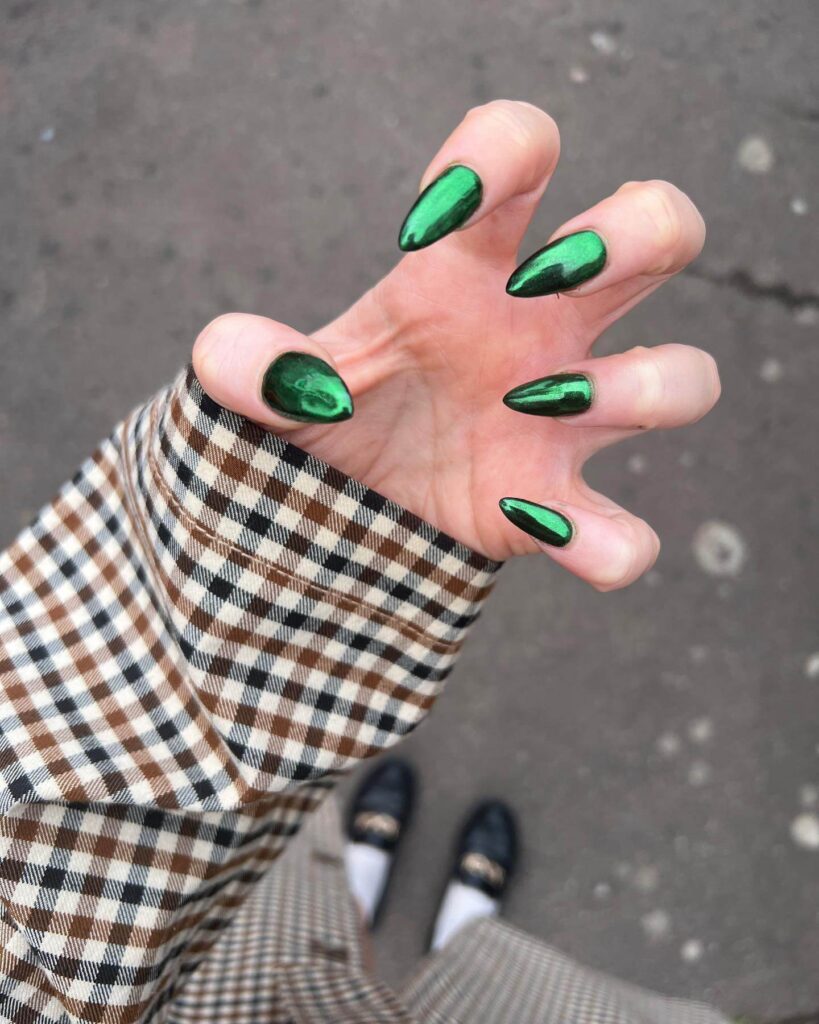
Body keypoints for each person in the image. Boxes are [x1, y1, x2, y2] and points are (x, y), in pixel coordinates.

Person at [0, 100, 727, 1022]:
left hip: (202, 940)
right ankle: (455, 933)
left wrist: (274, 559)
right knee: (489, 990)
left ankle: (366, 894)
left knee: (304, 904)